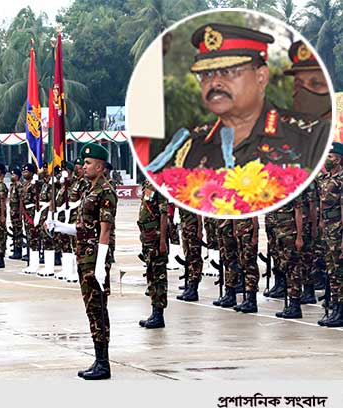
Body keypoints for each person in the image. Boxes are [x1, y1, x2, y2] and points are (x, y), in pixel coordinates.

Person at [148, 23, 330, 172]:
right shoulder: (192, 145)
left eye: (228, 72)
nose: (215, 83)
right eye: (206, 74)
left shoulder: (312, 136)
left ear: (261, 77)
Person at [49, 143, 116, 379]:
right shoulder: (89, 190)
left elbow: (105, 231)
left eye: (88, 163)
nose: (84, 166)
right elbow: (83, 229)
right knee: (91, 310)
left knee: (97, 309)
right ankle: (99, 360)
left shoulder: (105, 191)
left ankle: (103, 364)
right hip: (84, 256)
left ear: (100, 166)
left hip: (94, 260)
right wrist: (60, 227)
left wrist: (100, 266)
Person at [137, 180, 169, 328]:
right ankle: (154, 312)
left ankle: (159, 314)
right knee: (151, 274)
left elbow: (164, 214)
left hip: (156, 238)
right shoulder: (148, 184)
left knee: (159, 276)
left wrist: (162, 240)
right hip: (148, 237)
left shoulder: (159, 185)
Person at [318, 143, 343, 326]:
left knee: (339, 270)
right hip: (327, 228)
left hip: (338, 229)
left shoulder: (341, 180)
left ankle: (340, 310)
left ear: (339, 159)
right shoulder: (326, 178)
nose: (329, 159)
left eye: (332, 156)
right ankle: (335, 307)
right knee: (331, 271)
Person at [8, 166, 25, 260]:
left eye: (13, 174)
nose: (12, 176)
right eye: (11, 174)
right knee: (14, 230)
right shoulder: (12, 185)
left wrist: (20, 213)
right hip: (13, 211)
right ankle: (15, 248)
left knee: (18, 231)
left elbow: (21, 200)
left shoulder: (19, 186)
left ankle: (18, 250)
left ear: (18, 176)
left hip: (17, 211)